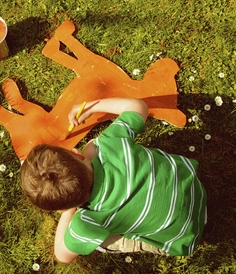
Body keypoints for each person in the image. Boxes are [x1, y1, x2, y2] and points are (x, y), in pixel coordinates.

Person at [19, 98, 206, 262]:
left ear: (59, 209)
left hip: (183, 236)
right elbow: (138, 107)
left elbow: (61, 254)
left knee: (102, 241)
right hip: (191, 186)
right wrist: (92, 107)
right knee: (93, 146)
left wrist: (69, 211)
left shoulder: (88, 222)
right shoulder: (110, 143)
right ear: (76, 154)